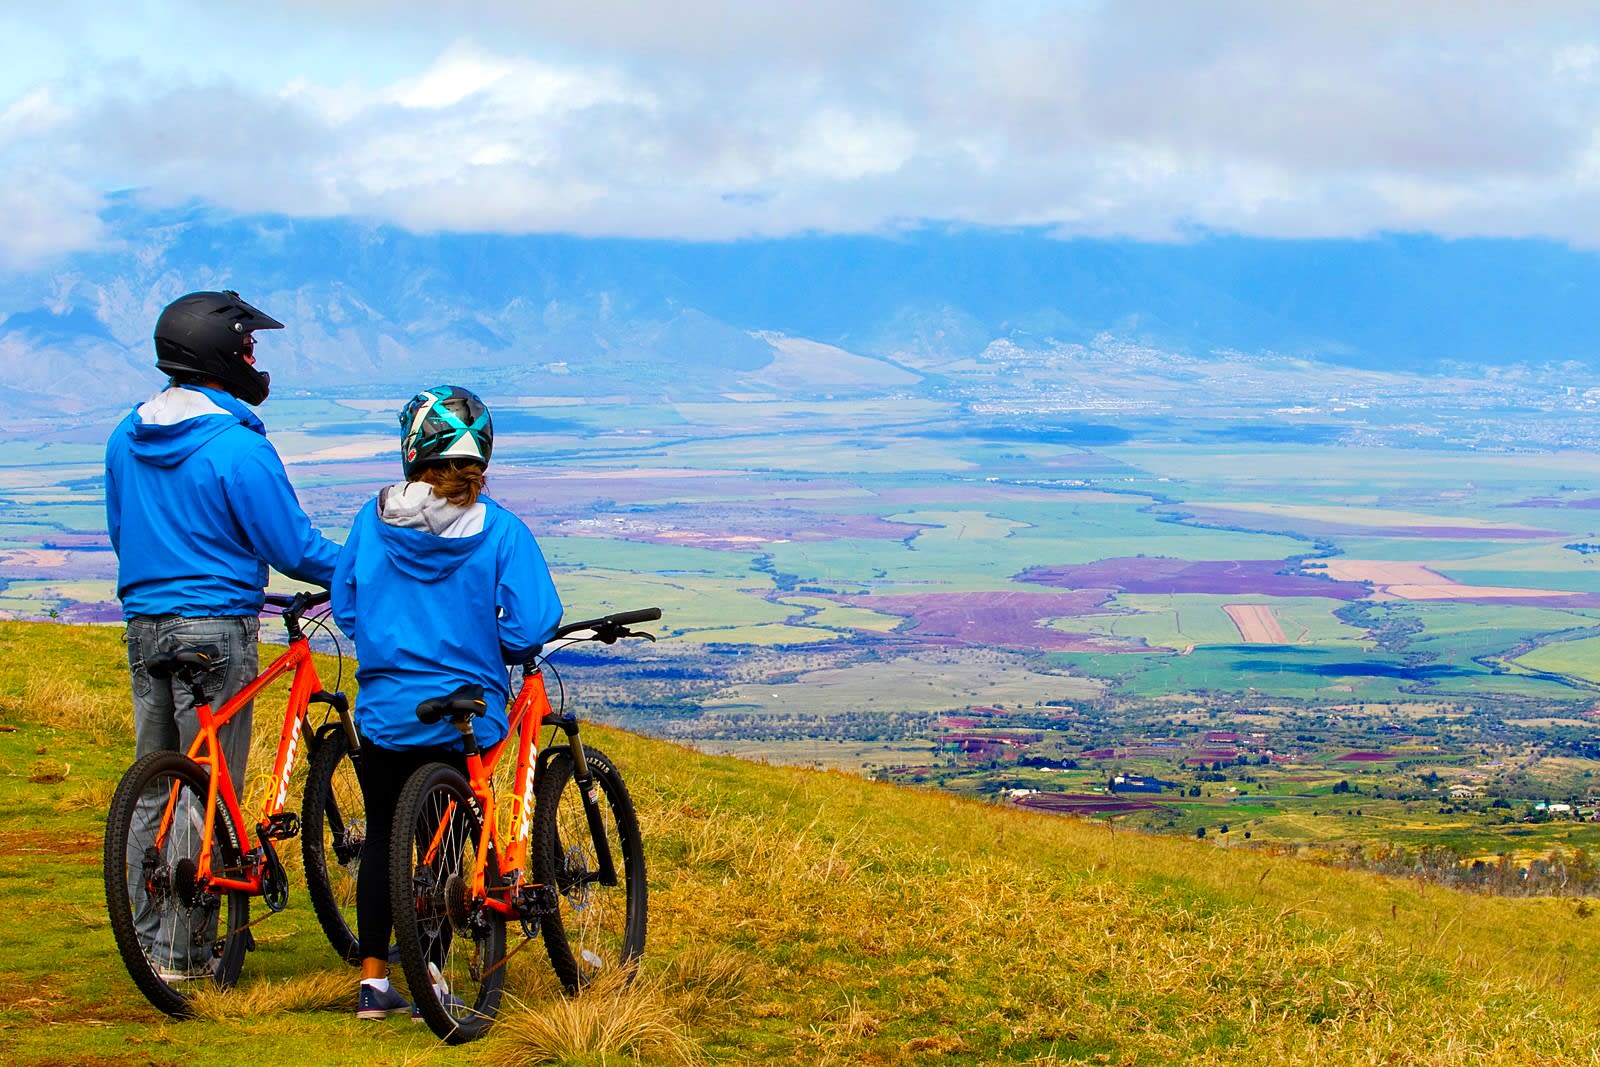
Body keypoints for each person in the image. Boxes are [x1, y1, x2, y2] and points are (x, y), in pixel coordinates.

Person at [105, 288, 340, 978]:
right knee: (209, 788)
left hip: (145, 623)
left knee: (157, 782)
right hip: (215, 626)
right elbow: (291, 545)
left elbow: (123, 531)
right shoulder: (237, 448)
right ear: (221, 355)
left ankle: (149, 941)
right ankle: (185, 955)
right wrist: (363, 566)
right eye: (249, 346)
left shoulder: (126, 434)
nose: (254, 358)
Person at [331, 384, 562, 1020]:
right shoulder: (503, 531)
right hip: (468, 711)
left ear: (412, 451)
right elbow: (533, 624)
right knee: (451, 840)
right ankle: (437, 972)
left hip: (385, 708)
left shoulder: (370, 519)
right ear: (482, 453)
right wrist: (490, 643)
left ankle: (375, 983)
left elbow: (346, 605)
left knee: (383, 836)